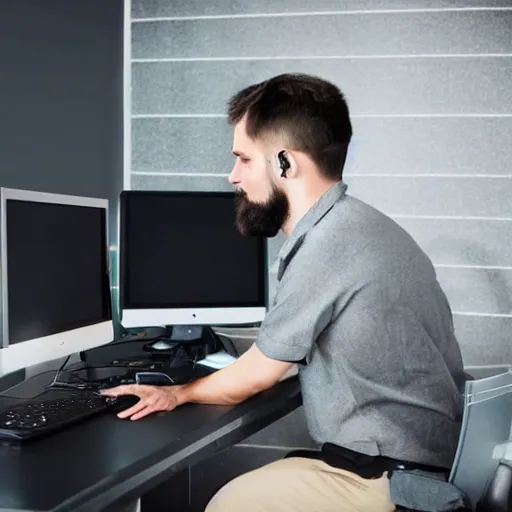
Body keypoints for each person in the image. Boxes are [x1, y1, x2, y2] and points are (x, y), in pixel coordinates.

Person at [102, 73, 466, 512]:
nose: (233, 176)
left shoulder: (328, 244)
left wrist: (175, 393)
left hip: (389, 476)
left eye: (243, 159)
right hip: (418, 461)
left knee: (228, 505)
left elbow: (256, 375)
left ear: (284, 164)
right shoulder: (365, 226)